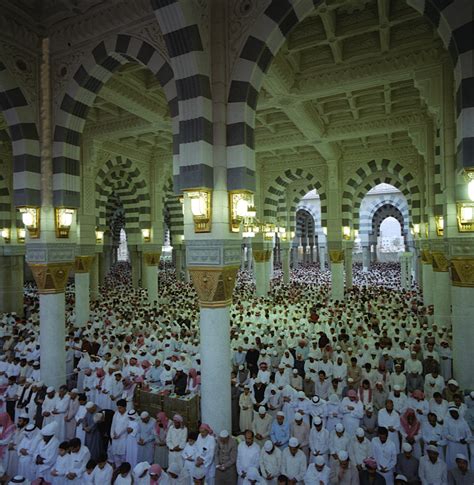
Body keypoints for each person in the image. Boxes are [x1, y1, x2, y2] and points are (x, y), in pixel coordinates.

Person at [110, 399, 129, 467]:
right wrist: (112, 434)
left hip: (123, 438)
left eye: (120, 408)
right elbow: (113, 424)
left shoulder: (128, 415)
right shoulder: (116, 413)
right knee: (115, 455)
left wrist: (119, 434)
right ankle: (118, 469)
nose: (119, 409)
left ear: (124, 407)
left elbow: (126, 427)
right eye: (118, 407)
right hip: (115, 438)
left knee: (123, 456)